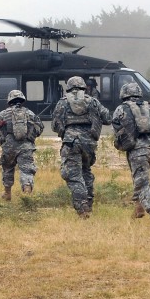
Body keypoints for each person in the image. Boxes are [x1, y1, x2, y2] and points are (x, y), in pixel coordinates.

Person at [52, 76, 111, 218]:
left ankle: (82, 207)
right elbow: (108, 118)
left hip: (71, 142)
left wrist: (66, 129)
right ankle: (89, 204)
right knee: (86, 171)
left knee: (73, 174)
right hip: (89, 143)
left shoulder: (62, 103)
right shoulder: (92, 101)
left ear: (69, 88)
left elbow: (55, 124)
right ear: (84, 87)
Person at [112, 82, 150, 229]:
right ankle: (138, 208)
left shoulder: (121, 109)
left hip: (137, 152)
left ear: (124, 94)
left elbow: (117, 130)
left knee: (143, 185)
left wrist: (121, 145)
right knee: (140, 178)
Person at [0, 90, 44, 201]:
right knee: (27, 170)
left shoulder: (2, 115)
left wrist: (3, 141)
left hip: (9, 146)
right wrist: (31, 138)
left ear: (9, 101)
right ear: (22, 100)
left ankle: (7, 193)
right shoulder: (29, 113)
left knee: (7, 168)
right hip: (26, 146)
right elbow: (40, 127)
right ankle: (27, 193)